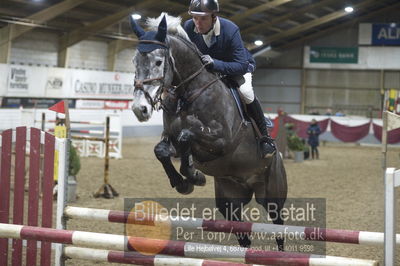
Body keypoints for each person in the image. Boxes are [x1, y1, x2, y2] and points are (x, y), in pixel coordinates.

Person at [183, 0, 276, 158]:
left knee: (246, 92)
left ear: (214, 17)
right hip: (209, 70)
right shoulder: (188, 27)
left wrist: (215, 63)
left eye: (203, 18)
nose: (198, 23)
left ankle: (265, 138)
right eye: (195, 18)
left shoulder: (230, 29)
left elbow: (240, 64)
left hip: (238, 67)